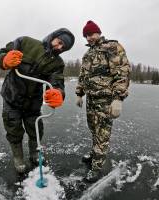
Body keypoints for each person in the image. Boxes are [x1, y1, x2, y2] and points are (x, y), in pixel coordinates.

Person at [0, 28, 75, 173]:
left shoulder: (57, 63)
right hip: (11, 97)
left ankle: (34, 154)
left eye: (63, 47)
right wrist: (5, 60)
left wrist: (58, 93)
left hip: (33, 103)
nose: (59, 47)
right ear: (53, 36)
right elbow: (2, 53)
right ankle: (18, 158)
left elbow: (57, 82)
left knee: (35, 130)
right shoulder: (25, 42)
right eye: (59, 42)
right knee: (13, 129)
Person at [75, 20, 130, 182]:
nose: (89, 38)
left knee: (102, 135)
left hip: (106, 101)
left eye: (91, 34)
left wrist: (118, 98)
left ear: (98, 32)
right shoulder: (88, 54)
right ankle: (94, 154)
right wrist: (79, 93)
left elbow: (122, 72)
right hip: (91, 100)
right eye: (86, 36)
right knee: (93, 129)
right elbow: (83, 76)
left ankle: (97, 167)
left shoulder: (112, 47)